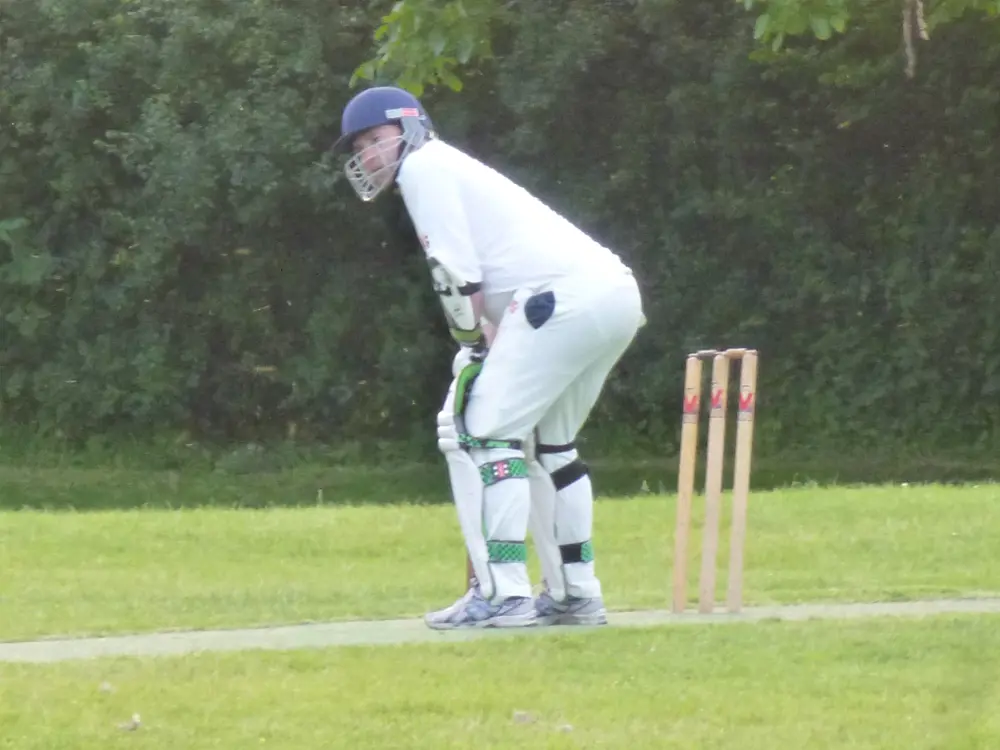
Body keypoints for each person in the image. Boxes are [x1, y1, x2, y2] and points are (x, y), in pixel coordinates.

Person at [333, 85, 645, 630]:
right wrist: (487, 331)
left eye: (373, 140)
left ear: (406, 132)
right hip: (613, 294)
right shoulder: (448, 166)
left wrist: (471, 344)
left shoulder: (423, 168)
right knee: (555, 446)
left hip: (559, 300)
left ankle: (507, 596)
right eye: (359, 147)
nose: (366, 155)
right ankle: (578, 593)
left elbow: (456, 278)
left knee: (484, 433)